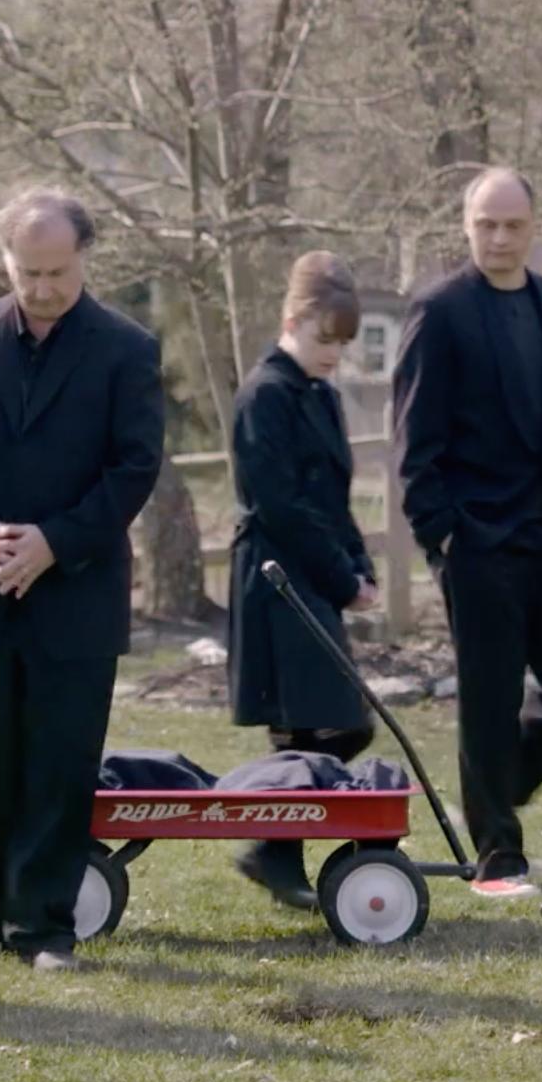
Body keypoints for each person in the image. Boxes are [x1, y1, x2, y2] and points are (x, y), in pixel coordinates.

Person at [0, 188, 164, 972]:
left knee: (60, 767)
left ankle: (47, 928)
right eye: (29, 272)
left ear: (85, 258)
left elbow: (133, 469)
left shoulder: (127, 350)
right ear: (5, 263)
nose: (46, 288)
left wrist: (55, 544)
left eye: (59, 271)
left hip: (76, 595)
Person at [391, 167, 542, 898]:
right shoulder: (440, 309)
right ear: (466, 225)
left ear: (533, 227)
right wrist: (443, 536)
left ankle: (492, 791)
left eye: (512, 224)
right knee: (488, 695)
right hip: (477, 537)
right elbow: (413, 440)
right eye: (486, 224)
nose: (498, 237)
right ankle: (497, 854)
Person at [226, 252, 383, 908]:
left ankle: (277, 853)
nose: (334, 355)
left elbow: (334, 494)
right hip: (276, 575)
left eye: (343, 345)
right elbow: (280, 505)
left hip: (313, 572)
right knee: (316, 724)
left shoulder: (319, 395)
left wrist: (360, 566)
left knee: (331, 724)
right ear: (292, 321)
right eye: (325, 340)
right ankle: (274, 851)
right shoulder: (265, 394)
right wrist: (339, 577)